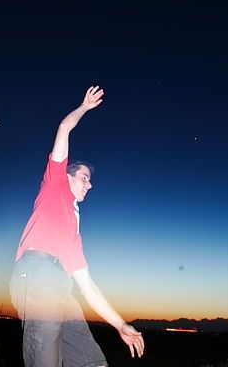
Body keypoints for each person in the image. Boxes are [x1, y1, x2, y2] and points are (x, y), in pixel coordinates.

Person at [10, 85, 145, 366]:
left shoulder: (73, 233)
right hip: (36, 273)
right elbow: (64, 127)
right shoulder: (54, 184)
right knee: (46, 358)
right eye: (84, 177)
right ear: (68, 177)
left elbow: (88, 286)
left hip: (61, 284)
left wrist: (120, 325)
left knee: (91, 361)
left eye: (89, 180)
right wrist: (84, 107)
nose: (90, 184)